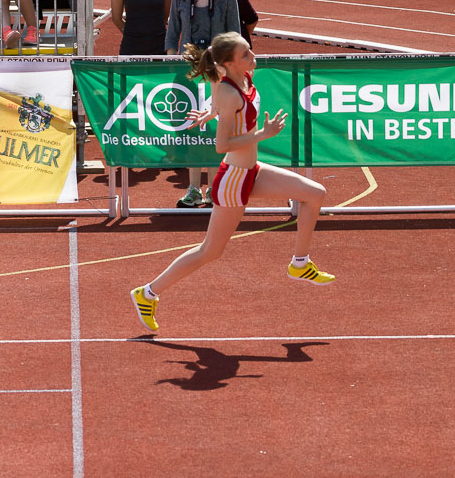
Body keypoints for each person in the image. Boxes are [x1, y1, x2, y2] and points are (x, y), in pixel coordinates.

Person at [130, 31, 335, 332]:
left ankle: (300, 263)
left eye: (250, 51)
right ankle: (148, 293)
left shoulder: (241, 80)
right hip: (233, 179)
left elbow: (222, 102)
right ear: (229, 62)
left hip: (252, 170)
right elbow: (222, 145)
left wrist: (211, 113)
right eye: (245, 55)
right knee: (210, 251)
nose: (253, 57)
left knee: (315, 193)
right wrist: (260, 134)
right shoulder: (228, 91)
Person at [166, 0, 240, 208]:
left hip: (218, 71)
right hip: (188, 70)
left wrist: (229, 67)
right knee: (191, 128)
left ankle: (213, 188)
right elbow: (173, 32)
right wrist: (173, 60)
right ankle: (194, 188)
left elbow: (235, 35)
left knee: (215, 128)